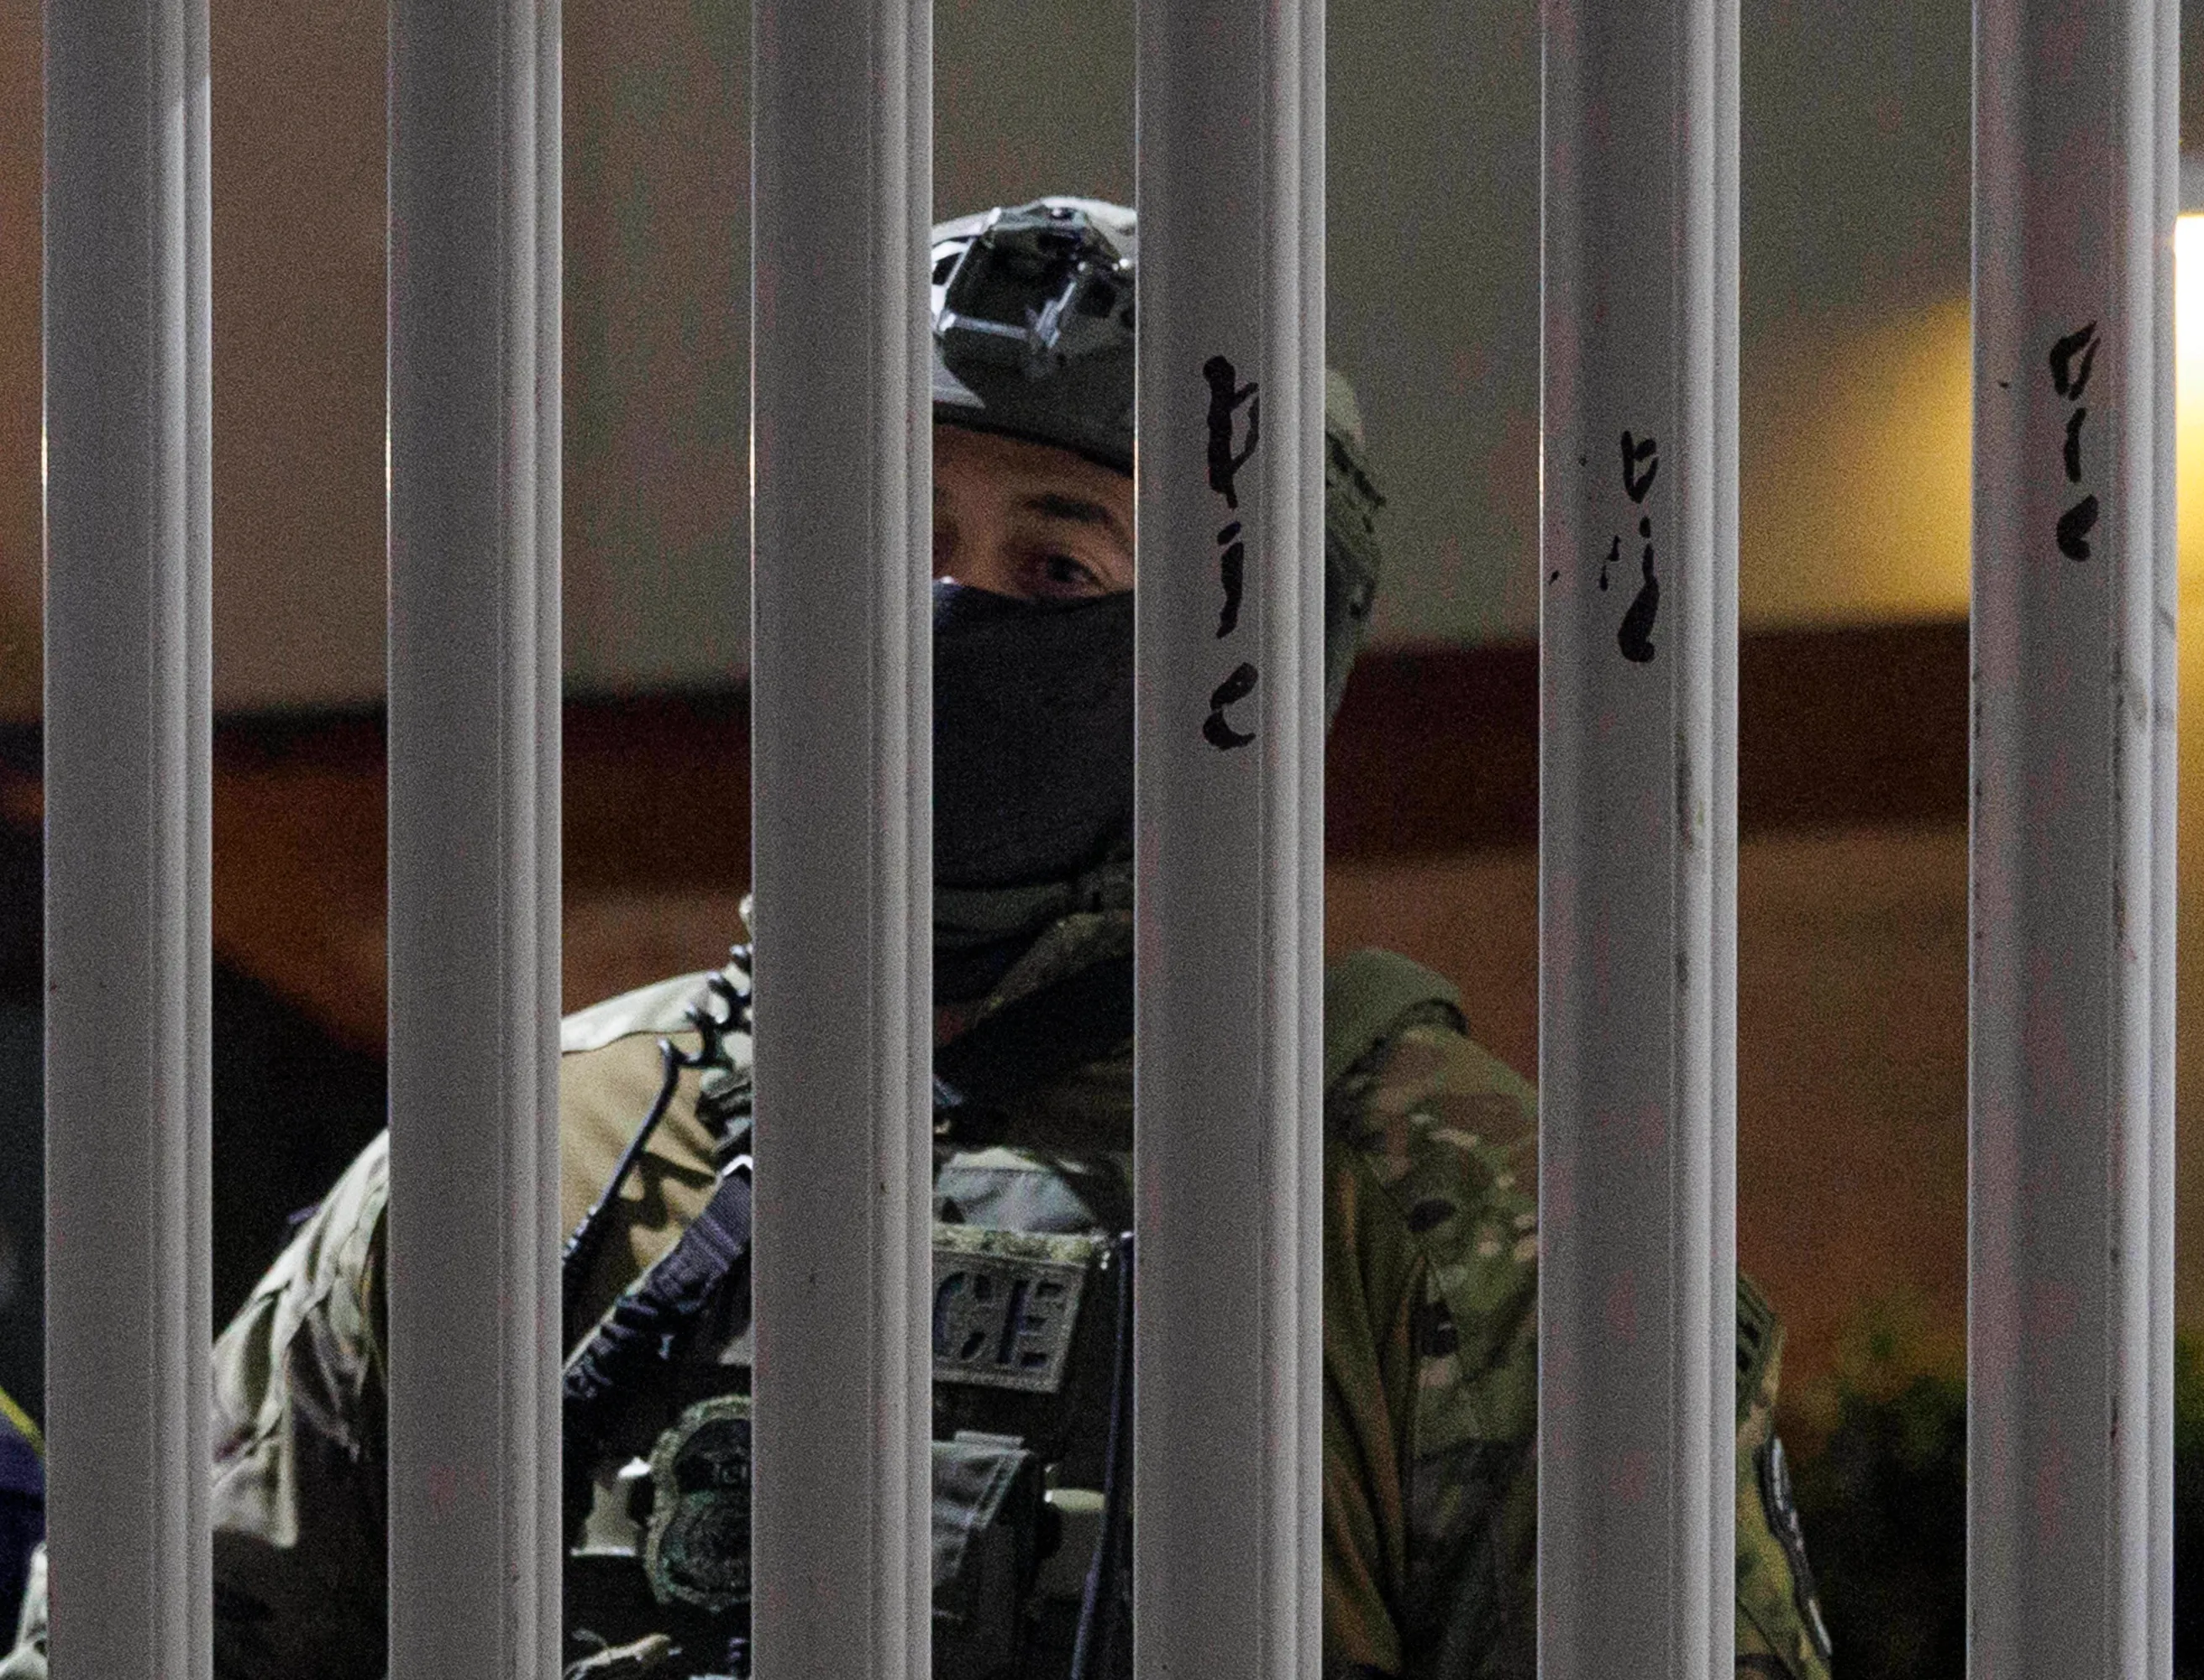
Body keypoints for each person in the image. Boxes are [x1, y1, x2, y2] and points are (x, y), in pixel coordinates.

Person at [0, 197, 1834, 1680]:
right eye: (909, 537)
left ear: (1248, 672)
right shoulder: (528, 1146)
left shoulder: (1457, 1216)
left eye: (1062, 566)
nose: (958, 612)